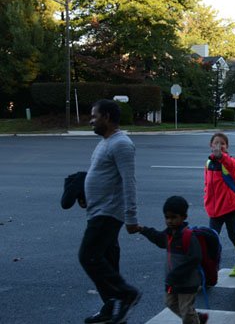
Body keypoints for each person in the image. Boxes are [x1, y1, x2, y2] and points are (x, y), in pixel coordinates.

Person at [79, 99, 141, 324]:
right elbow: (103, 176)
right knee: (108, 261)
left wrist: (131, 216)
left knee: (88, 256)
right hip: (97, 210)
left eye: (94, 116)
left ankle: (126, 294)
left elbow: (129, 182)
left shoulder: (121, 144)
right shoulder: (105, 142)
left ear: (106, 117)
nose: (91, 121)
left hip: (108, 213)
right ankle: (111, 310)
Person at [138, 196, 209, 324]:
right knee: (170, 303)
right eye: (167, 217)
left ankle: (193, 319)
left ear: (184, 217)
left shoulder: (188, 236)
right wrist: (143, 230)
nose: (169, 221)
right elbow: (160, 240)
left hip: (188, 281)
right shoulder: (170, 233)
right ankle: (197, 317)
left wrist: (177, 274)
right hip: (173, 280)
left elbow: (195, 258)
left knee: (186, 311)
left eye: (173, 217)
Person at [204, 132, 235, 277]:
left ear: (227, 146)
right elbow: (207, 184)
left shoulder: (229, 161)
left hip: (230, 208)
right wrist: (206, 199)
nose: (219, 146)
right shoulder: (208, 163)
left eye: (222, 143)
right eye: (216, 143)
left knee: (233, 235)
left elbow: (230, 165)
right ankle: (210, 268)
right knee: (211, 239)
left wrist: (221, 156)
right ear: (210, 145)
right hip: (214, 209)